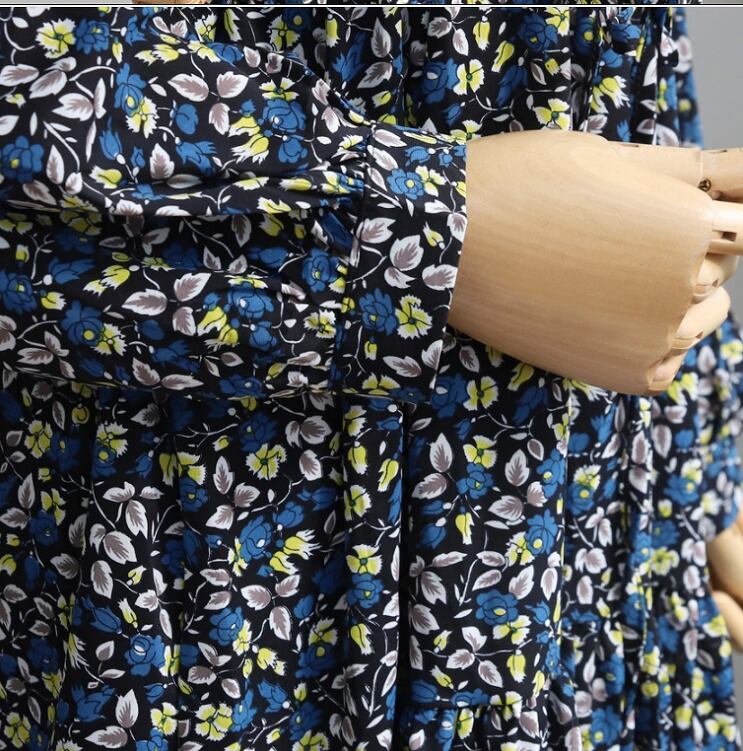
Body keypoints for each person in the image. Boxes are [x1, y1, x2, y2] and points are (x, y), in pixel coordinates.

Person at [0, 4, 741, 750]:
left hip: (587, 544)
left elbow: (633, 65)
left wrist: (698, 459)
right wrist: (413, 221)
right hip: (212, 572)